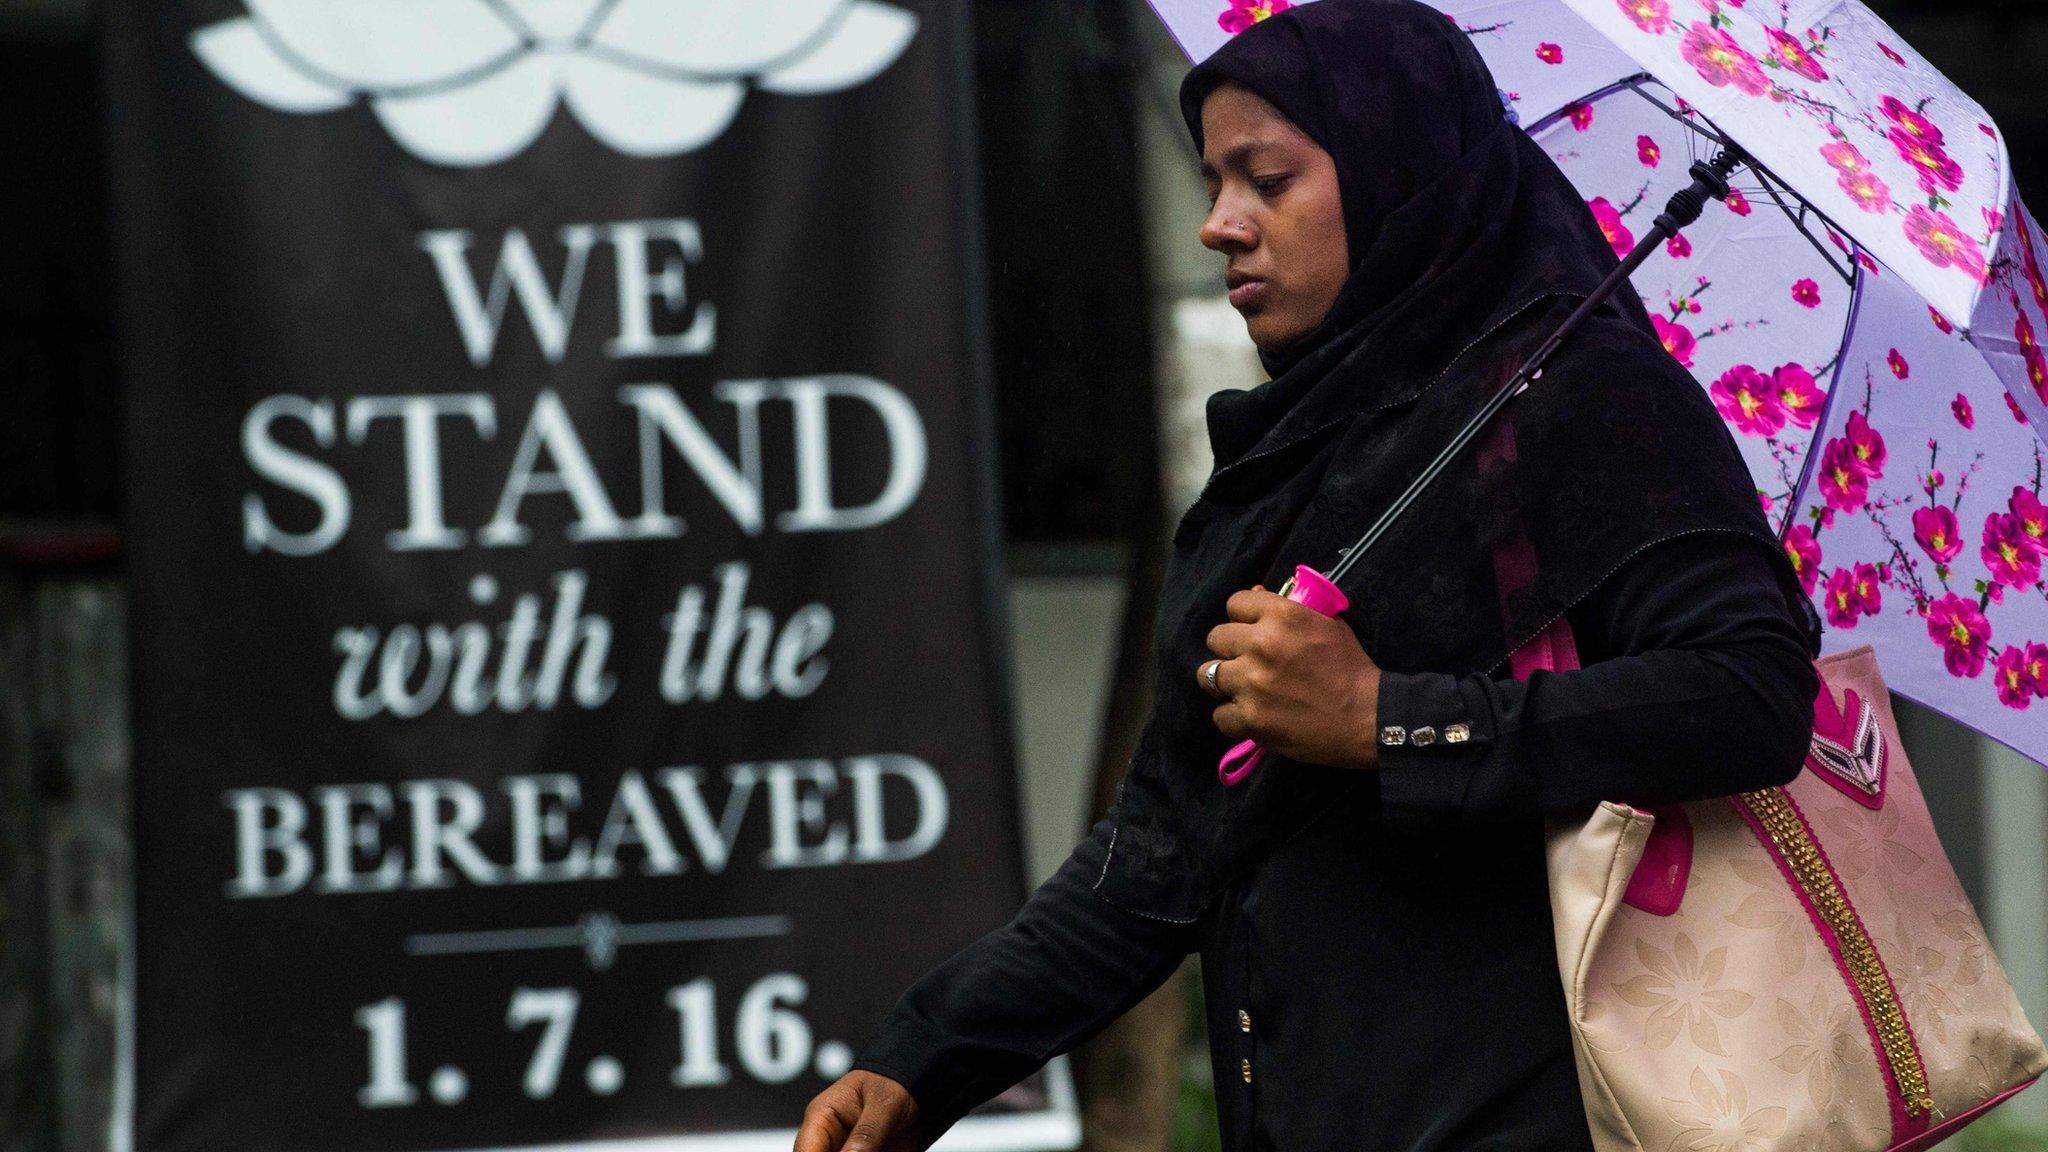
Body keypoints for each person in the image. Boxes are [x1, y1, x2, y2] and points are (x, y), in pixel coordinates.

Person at [796, 2, 1824, 1149]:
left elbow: (1752, 693)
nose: (1218, 226)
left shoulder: (1580, 399)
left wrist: (1389, 719)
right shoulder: (1292, 463)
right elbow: (1168, 845)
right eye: (1212, 182)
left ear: (1399, 177)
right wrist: (924, 1057)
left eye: (1266, 179)